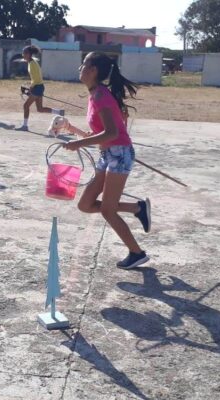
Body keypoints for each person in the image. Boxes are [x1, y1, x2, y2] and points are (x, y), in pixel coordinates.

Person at [63, 52, 152, 270]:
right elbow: (102, 132)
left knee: (107, 210)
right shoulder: (96, 94)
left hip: (119, 154)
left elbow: (112, 133)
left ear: (93, 71)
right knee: (85, 205)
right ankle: (137, 208)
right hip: (108, 155)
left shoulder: (101, 95)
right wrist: (72, 131)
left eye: (84, 64)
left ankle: (136, 252)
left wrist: (79, 145)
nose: (80, 68)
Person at [15, 45, 64, 132]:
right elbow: (36, 78)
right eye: (23, 53)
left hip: (37, 87)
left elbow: (36, 78)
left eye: (25, 53)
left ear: (29, 54)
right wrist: (31, 86)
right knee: (40, 109)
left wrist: (30, 88)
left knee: (26, 105)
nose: (23, 55)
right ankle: (59, 112)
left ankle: (25, 126)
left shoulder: (32, 64)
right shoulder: (32, 63)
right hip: (39, 87)